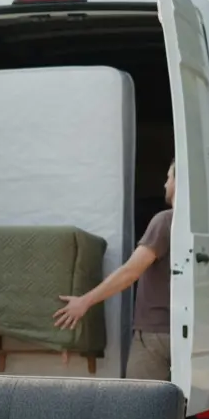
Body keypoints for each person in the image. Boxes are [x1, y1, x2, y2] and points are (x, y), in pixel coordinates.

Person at [53, 159, 177, 381]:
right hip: (187, 332)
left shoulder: (165, 221)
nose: (165, 184)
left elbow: (131, 272)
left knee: (142, 407)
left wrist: (84, 302)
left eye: (169, 178)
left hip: (155, 336)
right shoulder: (200, 226)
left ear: (180, 181)